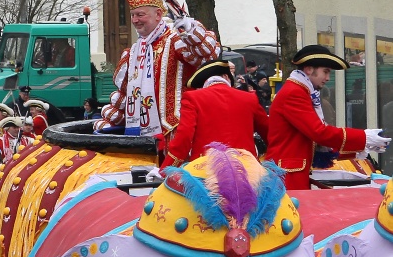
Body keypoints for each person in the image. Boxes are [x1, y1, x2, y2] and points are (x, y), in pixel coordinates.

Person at [93, 0, 220, 154]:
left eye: (140, 14)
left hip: (181, 135)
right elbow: (127, 95)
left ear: (158, 14)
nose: (135, 20)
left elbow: (206, 54)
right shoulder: (135, 52)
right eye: (133, 15)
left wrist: (189, 28)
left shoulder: (177, 40)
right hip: (145, 139)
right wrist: (109, 122)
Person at [265, 45, 391, 190]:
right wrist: (363, 137)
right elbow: (319, 132)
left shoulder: (303, 91)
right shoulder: (294, 93)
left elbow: (316, 142)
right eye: (325, 72)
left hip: (291, 174)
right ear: (309, 69)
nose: (327, 78)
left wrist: (360, 147)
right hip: (287, 176)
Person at [159, 60, 269, 169]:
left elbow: (184, 137)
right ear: (226, 77)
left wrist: (166, 169)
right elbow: (269, 133)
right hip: (247, 169)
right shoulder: (249, 98)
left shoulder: (193, 98)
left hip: (207, 170)